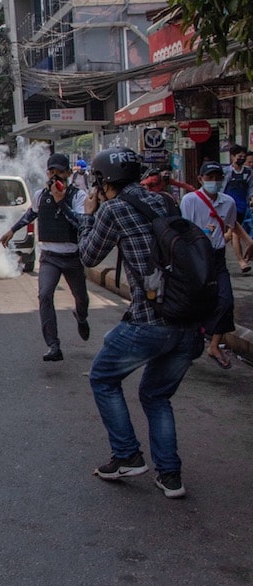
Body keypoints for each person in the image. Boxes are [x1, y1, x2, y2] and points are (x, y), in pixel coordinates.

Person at [78, 146, 203, 499]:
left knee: (103, 377)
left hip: (148, 322)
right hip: (187, 321)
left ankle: (127, 455)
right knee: (156, 395)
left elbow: (87, 255)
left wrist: (90, 214)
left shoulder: (113, 209)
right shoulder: (164, 201)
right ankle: (170, 476)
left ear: (103, 181)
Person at [0, 152, 89, 361]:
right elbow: (31, 214)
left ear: (67, 173)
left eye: (60, 172)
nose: (56, 176)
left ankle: (82, 317)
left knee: (81, 298)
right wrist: (12, 230)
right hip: (49, 256)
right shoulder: (40, 195)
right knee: (45, 295)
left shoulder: (78, 196)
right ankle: (53, 345)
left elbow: (80, 223)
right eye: (52, 171)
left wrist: (61, 202)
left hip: (72, 256)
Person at [179, 161, 238, 369]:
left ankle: (214, 345)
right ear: (200, 179)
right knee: (194, 302)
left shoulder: (228, 202)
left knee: (226, 300)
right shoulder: (190, 200)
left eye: (216, 178)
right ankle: (189, 341)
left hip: (218, 257)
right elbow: (184, 229)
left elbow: (231, 224)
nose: (213, 182)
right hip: (196, 256)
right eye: (209, 178)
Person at [223, 145, 253, 273]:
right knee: (235, 233)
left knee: (230, 234)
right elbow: (222, 188)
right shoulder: (227, 172)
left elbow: (251, 187)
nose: (241, 158)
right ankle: (242, 262)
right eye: (239, 156)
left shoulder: (248, 172)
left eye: (243, 156)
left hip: (242, 206)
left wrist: (251, 198)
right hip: (229, 206)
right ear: (232, 157)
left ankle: (212, 246)